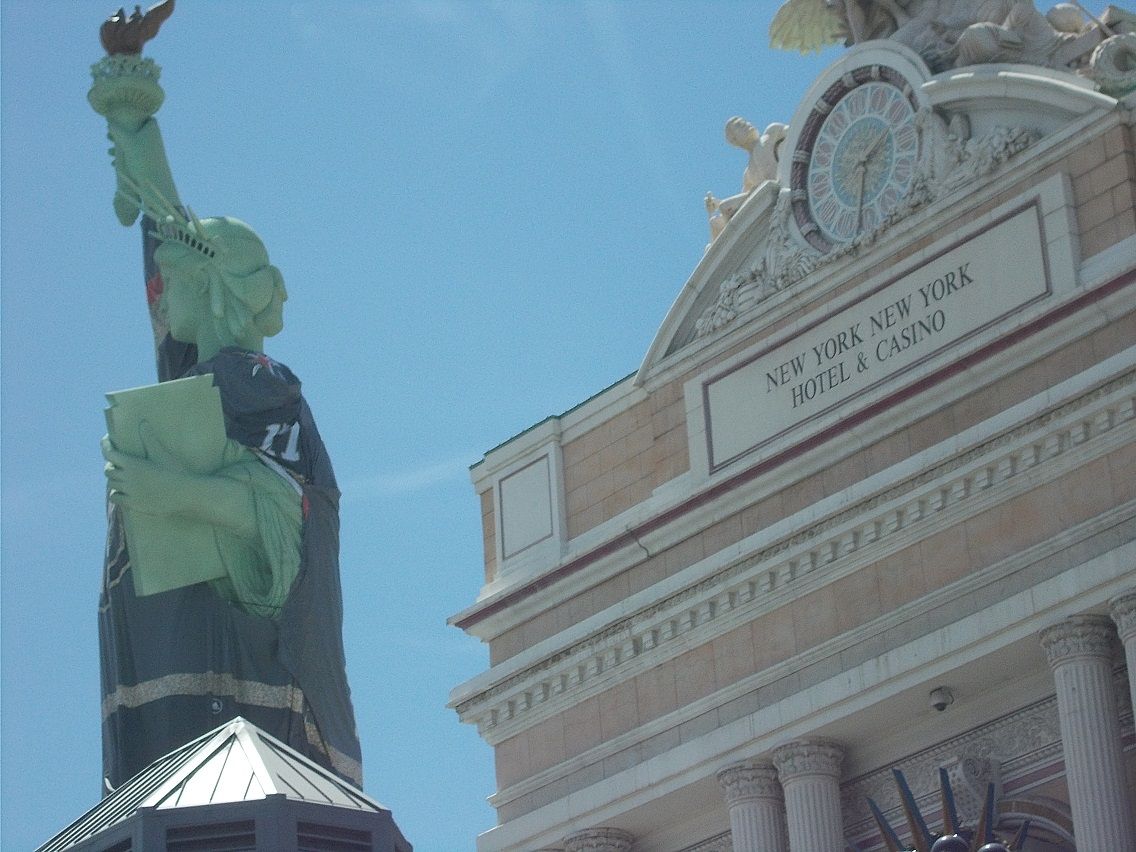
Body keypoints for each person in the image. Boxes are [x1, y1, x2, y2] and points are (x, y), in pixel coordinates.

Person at [90, 23, 362, 792]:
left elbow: (288, 516)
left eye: (172, 280)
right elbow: (167, 231)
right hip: (180, 714)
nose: (157, 289)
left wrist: (174, 495)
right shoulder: (201, 380)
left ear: (209, 287)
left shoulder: (257, 381)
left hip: (252, 718)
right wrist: (129, 105)